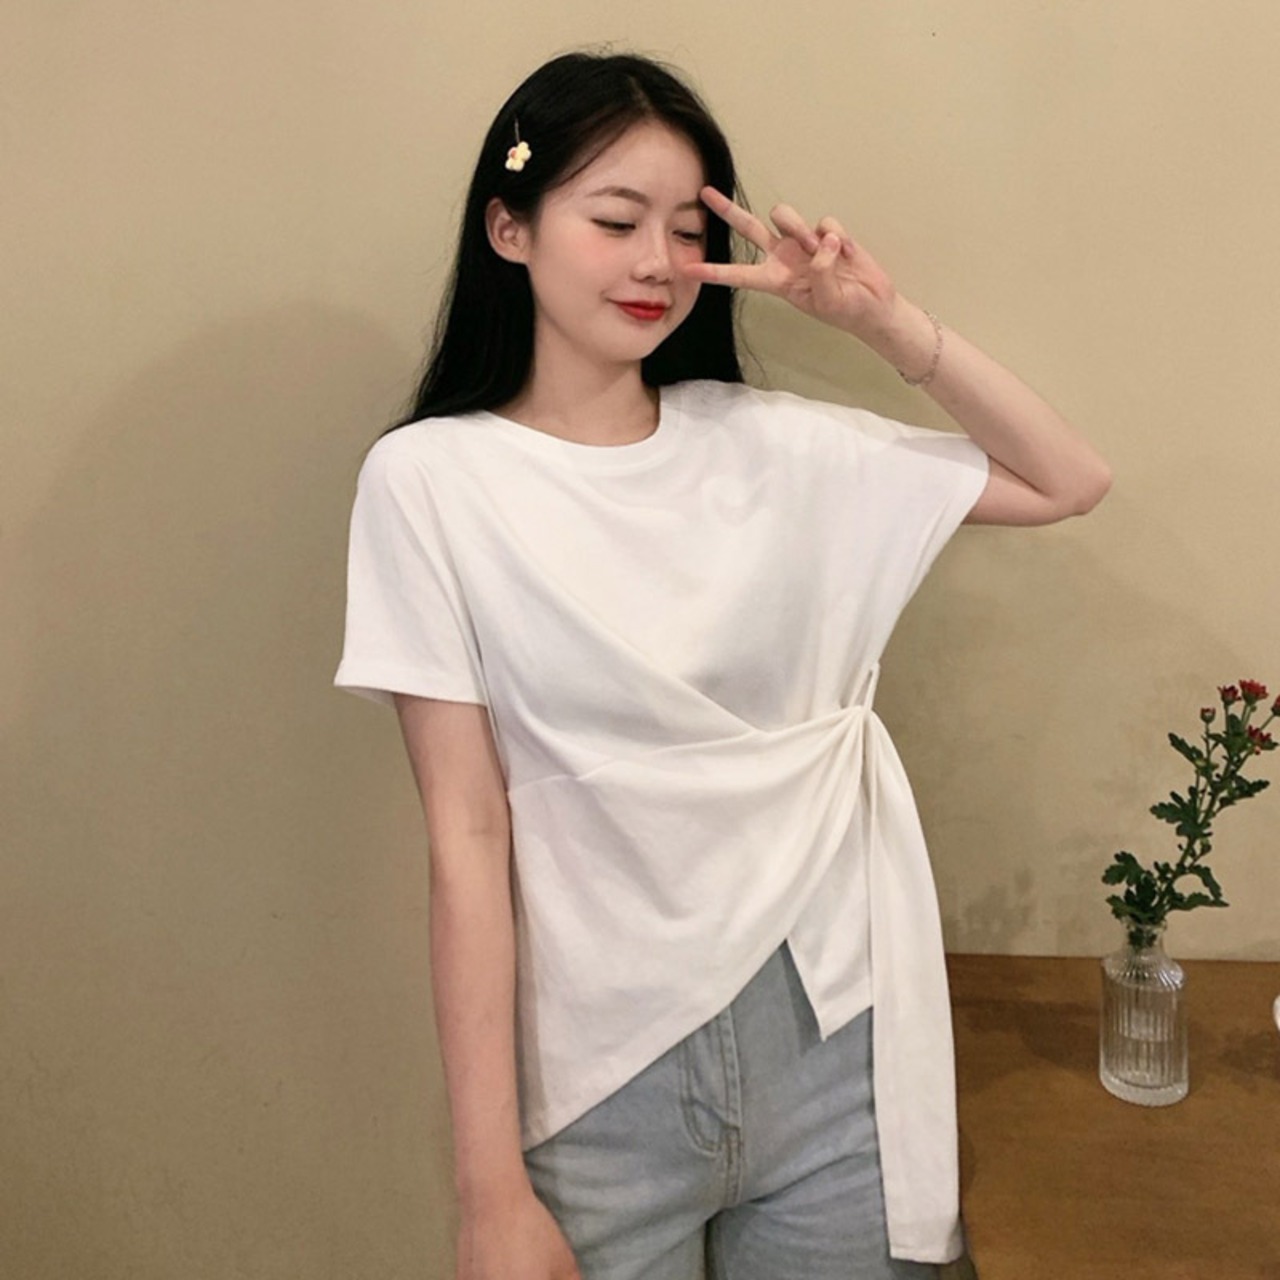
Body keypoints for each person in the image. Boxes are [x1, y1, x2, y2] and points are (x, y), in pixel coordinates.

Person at [334, 49, 1110, 1280]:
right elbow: (466, 834)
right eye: (614, 220)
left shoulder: (767, 443)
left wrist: (879, 321)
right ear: (508, 226)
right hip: (597, 1079)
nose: (656, 261)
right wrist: (488, 1191)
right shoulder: (429, 481)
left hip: (829, 1042)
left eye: (686, 229)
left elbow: (1066, 479)